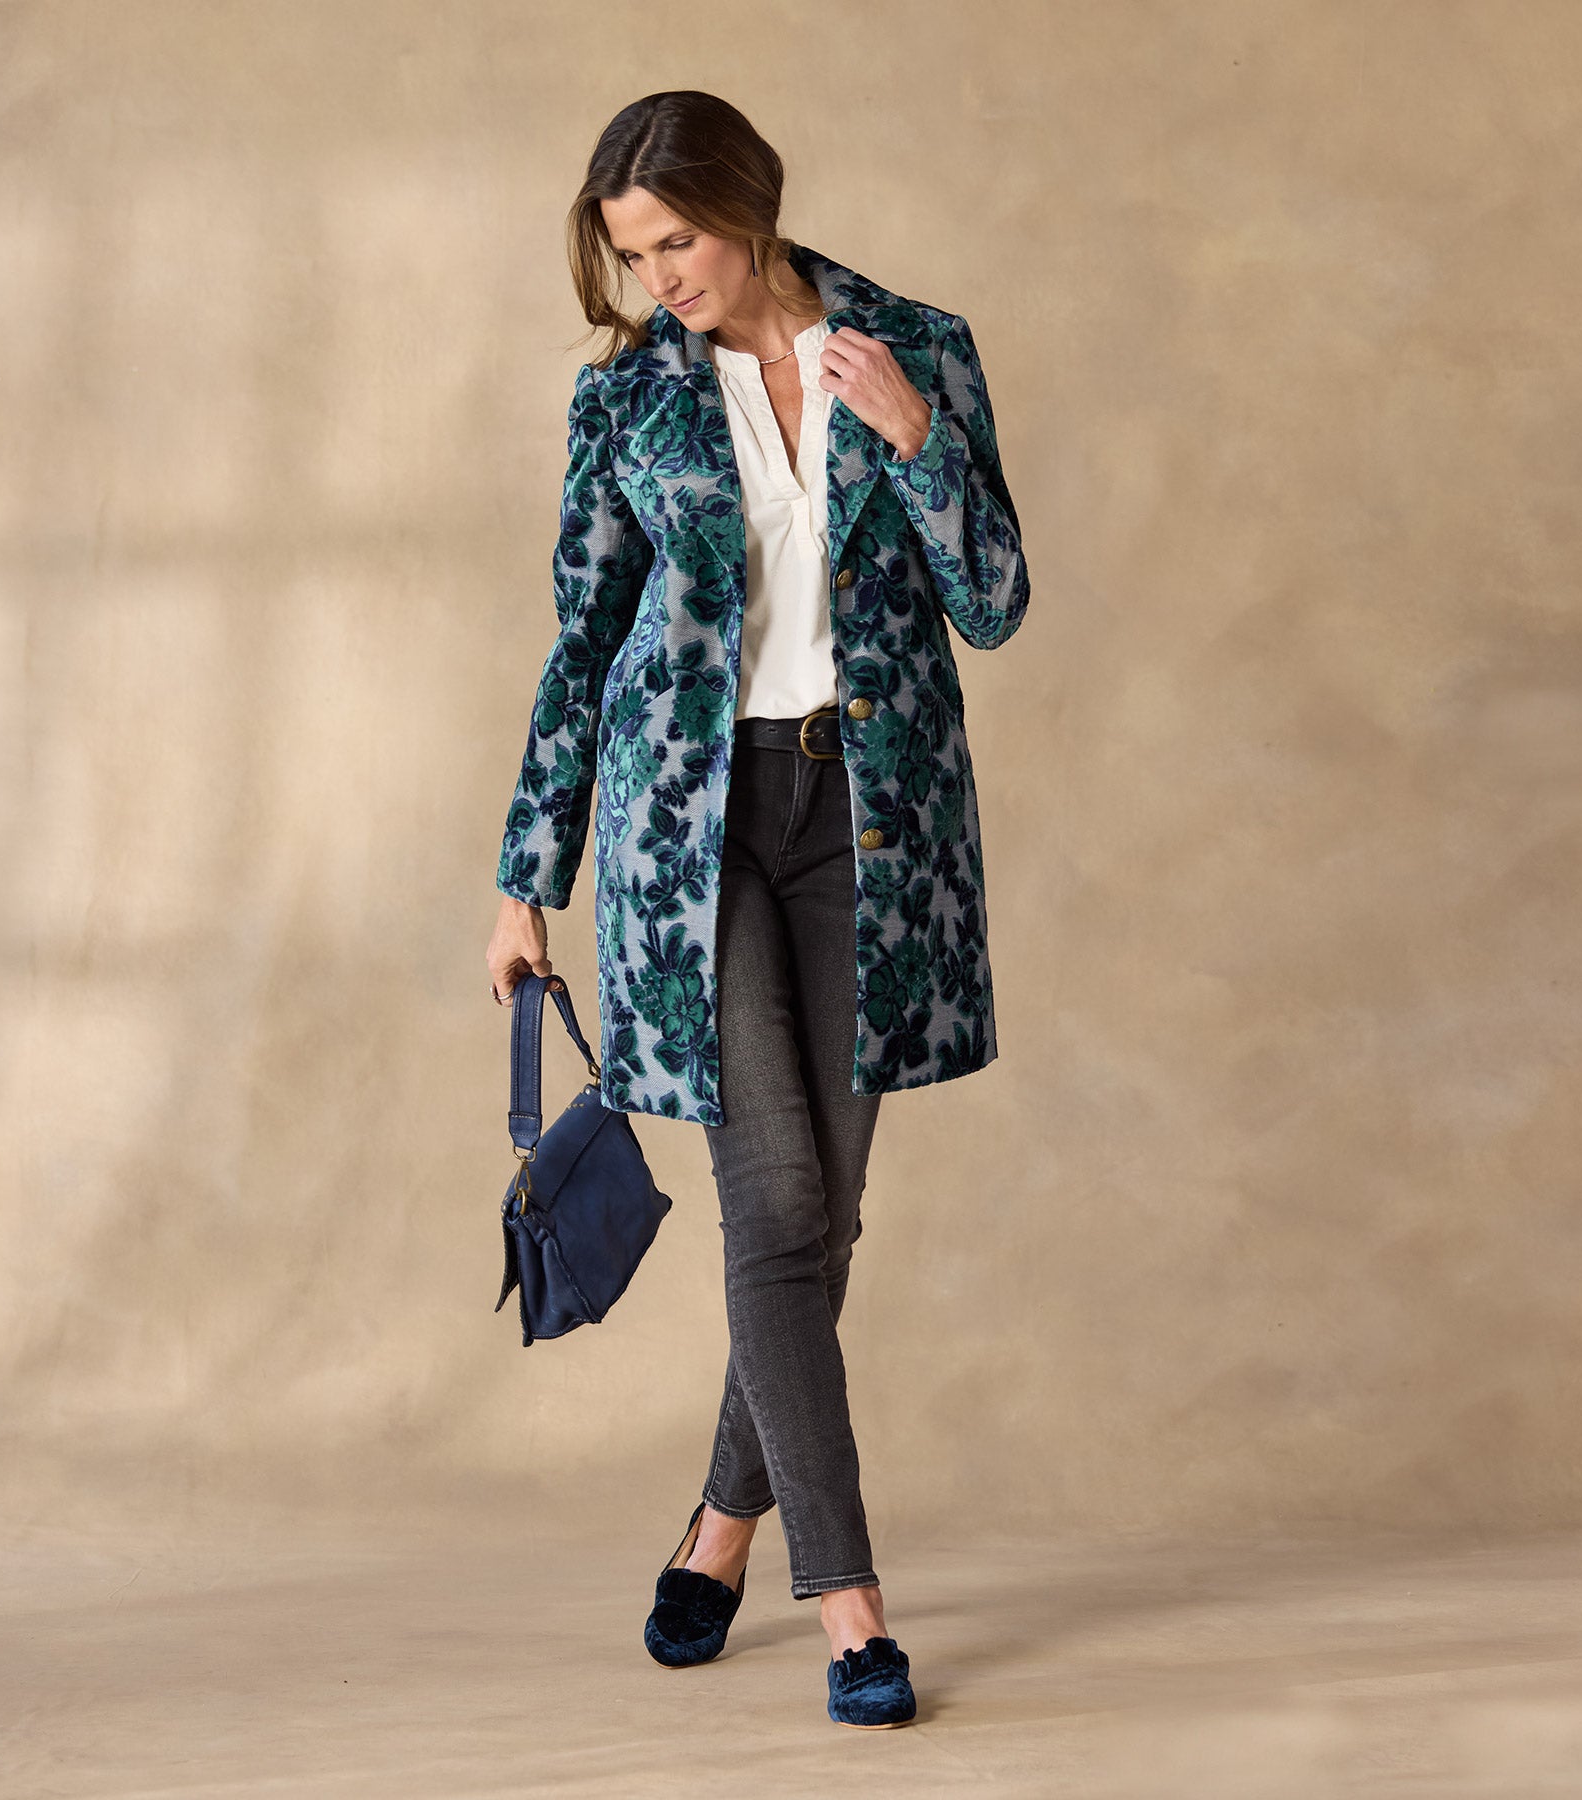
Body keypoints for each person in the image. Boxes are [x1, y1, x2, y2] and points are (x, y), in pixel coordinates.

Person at [485, 90, 1029, 1731]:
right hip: (690, 835)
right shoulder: (628, 401)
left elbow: (996, 602)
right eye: (631, 255)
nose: (660, 279)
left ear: (751, 206)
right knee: (776, 1200)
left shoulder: (915, 346)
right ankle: (851, 1608)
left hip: (869, 828)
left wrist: (918, 440)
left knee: (822, 1220)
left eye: (678, 242)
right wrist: (526, 876)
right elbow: (584, 642)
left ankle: (721, 1527)